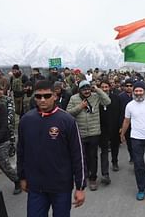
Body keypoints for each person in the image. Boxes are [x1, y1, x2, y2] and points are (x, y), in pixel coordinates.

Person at [17, 80, 86, 217]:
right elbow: (21, 151)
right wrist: (22, 176)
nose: (42, 100)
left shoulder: (67, 120)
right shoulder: (26, 120)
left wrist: (80, 187)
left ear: (54, 96)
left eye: (47, 96)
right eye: (38, 96)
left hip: (61, 186)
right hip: (36, 186)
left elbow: (78, 155)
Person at [67, 80, 111, 191]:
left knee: (93, 156)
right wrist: (80, 107)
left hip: (94, 132)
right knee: (83, 156)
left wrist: (97, 89)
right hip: (80, 132)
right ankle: (84, 174)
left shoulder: (96, 96)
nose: (86, 91)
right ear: (79, 90)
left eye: (88, 89)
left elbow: (107, 101)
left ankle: (93, 178)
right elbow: (68, 113)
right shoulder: (74, 98)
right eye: (83, 89)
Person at [120, 81, 145, 201]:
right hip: (136, 138)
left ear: (144, 91)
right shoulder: (130, 105)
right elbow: (127, 121)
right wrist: (122, 134)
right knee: (138, 164)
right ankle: (141, 189)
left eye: (140, 91)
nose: (138, 93)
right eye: (136, 91)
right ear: (133, 92)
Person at [99, 80, 121, 172]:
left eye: (106, 87)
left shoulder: (116, 98)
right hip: (102, 128)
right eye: (102, 87)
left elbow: (120, 112)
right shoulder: (97, 99)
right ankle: (105, 170)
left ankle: (115, 162)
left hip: (114, 126)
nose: (104, 89)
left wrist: (120, 126)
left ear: (109, 87)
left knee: (114, 146)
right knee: (104, 149)